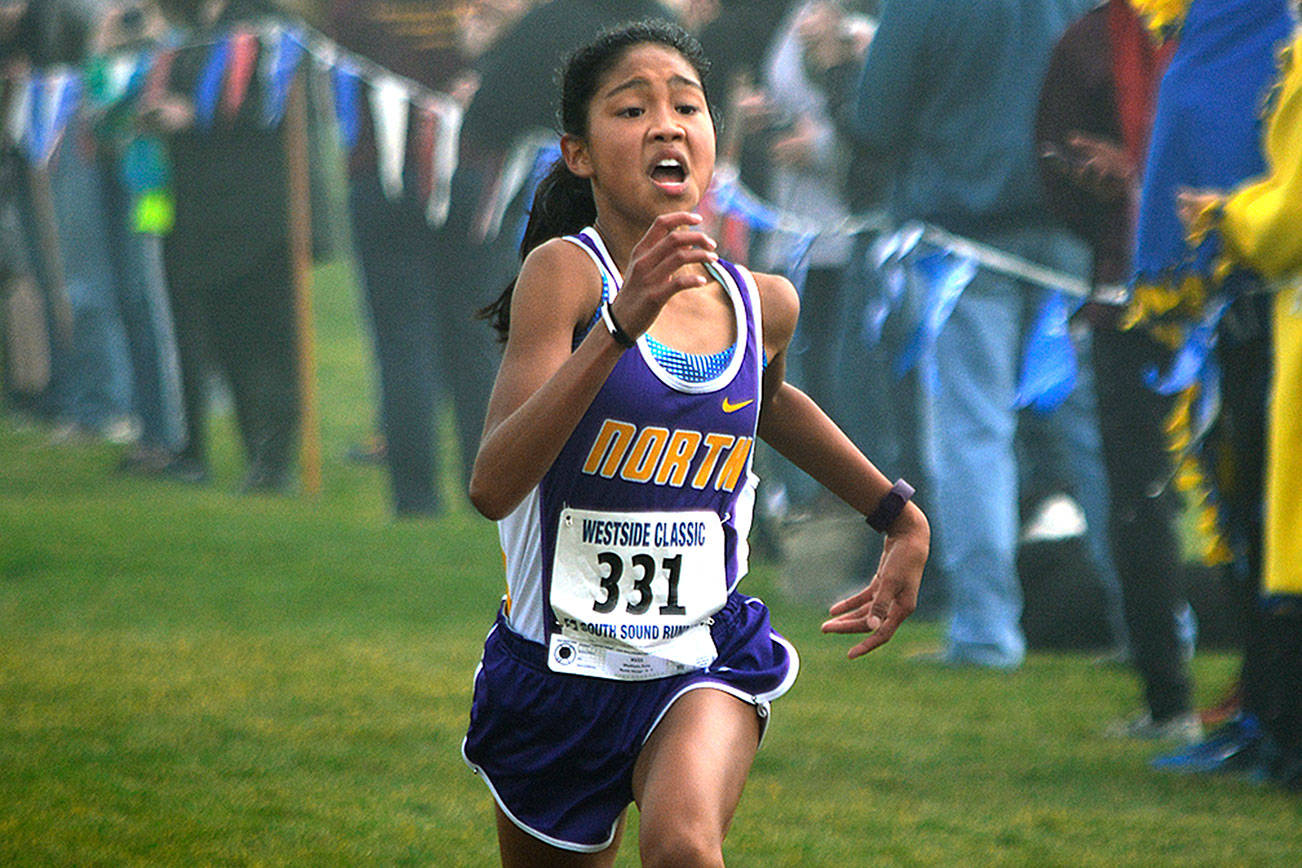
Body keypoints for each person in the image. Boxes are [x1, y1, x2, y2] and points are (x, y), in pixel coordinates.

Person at [461, 21, 928, 865]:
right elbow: (493, 484)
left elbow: (770, 405)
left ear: (718, 137)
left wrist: (898, 517)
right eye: (632, 109)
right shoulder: (566, 277)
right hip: (554, 675)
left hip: (698, 660)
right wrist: (616, 327)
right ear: (579, 154)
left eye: (688, 105)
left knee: (683, 848)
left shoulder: (762, 304)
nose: (668, 124)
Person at [845, 0, 1100, 669]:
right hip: (1072, 233)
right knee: (1092, 434)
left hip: (964, 238)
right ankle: (1150, 624)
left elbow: (874, 118)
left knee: (972, 433)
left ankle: (987, 631)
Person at [1034, 0, 1202, 741]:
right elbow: (1054, 155)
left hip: (1229, 290)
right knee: (1137, 500)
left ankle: (1265, 699)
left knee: (1255, 503)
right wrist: (1105, 194)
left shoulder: (1233, 30)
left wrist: (1134, 175)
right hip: (1128, 294)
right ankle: (1170, 698)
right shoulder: (1091, 42)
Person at [1156, 8, 1302, 792]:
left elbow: (1291, 218)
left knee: (1274, 534)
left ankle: (1282, 738)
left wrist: (1227, 214)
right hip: (1271, 318)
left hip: (1281, 310)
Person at [141, 0, 300, 491]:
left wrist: (194, 115)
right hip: (198, 212)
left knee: (268, 341)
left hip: (257, 217)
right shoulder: (190, 31)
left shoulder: (268, 23)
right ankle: (253, 451)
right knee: (228, 342)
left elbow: (273, 106)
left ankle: (276, 462)